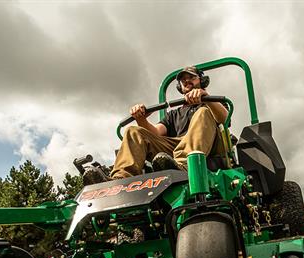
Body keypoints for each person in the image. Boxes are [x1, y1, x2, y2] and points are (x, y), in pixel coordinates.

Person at [83, 66, 229, 185]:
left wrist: (205, 96)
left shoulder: (212, 104)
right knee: (133, 131)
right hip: (176, 147)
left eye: (191, 77)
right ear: (179, 86)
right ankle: (121, 179)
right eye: (183, 80)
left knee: (203, 112)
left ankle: (185, 166)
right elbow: (156, 133)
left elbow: (224, 118)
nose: (187, 81)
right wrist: (141, 119)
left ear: (202, 80)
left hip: (207, 146)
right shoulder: (174, 114)